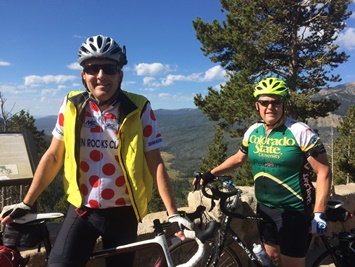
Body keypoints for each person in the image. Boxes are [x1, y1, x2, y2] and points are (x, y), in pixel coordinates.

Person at [0, 34, 192, 267]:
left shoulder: (139, 108)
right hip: (82, 210)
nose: (101, 75)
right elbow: (52, 157)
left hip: (123, 213)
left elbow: (155, 162)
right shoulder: (72, 105)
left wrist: (172, 214)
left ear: (119, 75)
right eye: (93, 68)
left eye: (109, 69)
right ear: (84, 75)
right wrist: (26, 203)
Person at [194, 77, 332, 267]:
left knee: (291, 264)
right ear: (257, 105)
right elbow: (238, 158)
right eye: (265, 102)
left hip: (294, 210)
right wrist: (210, 174)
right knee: (273, 260)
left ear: (284, 104)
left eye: (276, 102)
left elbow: (324, 171)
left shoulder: (300, 132)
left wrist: (319, 212)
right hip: (265, 208)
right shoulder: (253, 131)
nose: (270, 107)